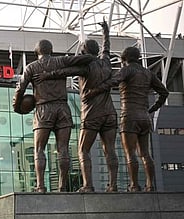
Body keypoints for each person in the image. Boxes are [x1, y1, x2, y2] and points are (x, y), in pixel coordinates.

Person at [33, 21, 118, 192]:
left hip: (92, 113)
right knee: (110, 149)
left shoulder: (86, 66)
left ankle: (88, 185)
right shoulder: (106, 61)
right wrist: (106, 33)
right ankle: (113, 185)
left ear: (85, 52)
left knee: (83, 150)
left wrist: (47, 75)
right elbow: (106, 48)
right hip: (110, 113)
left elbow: (65, 72)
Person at [13, 40, 94, 193]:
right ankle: (62, 186)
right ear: (51, 50)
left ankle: (41, 186)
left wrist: (17, 107)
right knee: (63, 149)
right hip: (63, 108)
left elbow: (20, 88)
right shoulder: (61, 61)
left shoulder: (31, 67)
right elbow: (87, 59)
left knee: (39, 149)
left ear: (37, 52)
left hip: (43, 108)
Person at [86, 46, 169, 191]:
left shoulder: (126, 70)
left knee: (130, 153)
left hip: (129, 116)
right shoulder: (148, 73)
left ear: (124, 60)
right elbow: (164, 92)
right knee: (145, 153)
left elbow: (112, 82)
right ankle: (150, 185)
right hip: (144, 116)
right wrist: (153, 108)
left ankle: (134, 185)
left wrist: (94, 91)